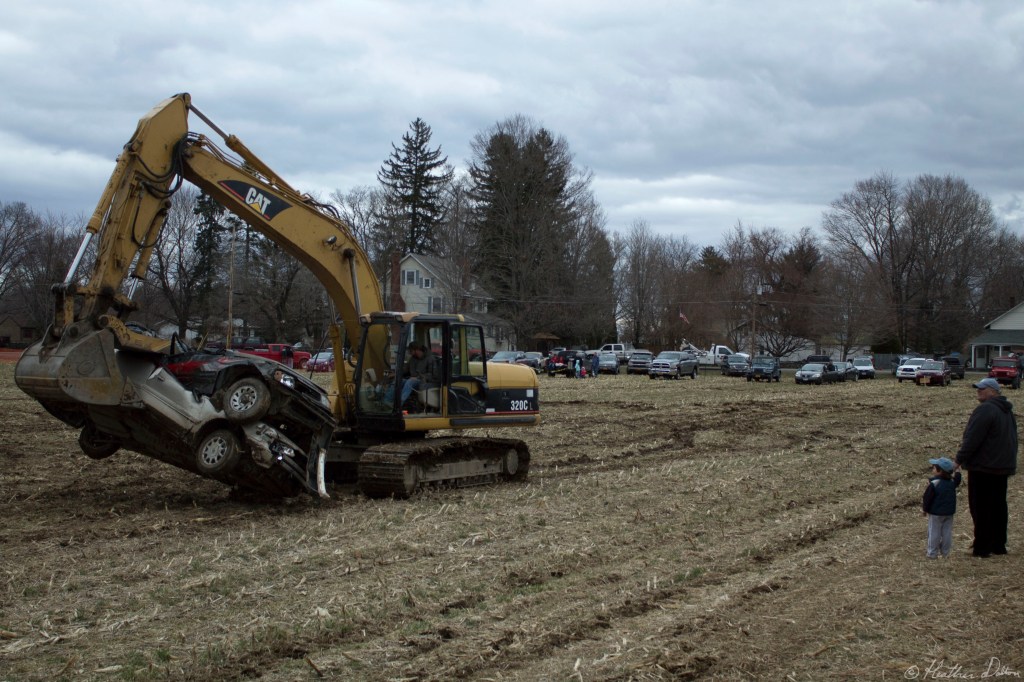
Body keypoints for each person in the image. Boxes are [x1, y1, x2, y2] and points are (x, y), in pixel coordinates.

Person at [954, 377, 1018, 557]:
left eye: (982, 388)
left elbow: (972, 439)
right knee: (998, 506)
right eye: (978, 388)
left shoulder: (985, 410)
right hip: (1002, 467)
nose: (978, 391)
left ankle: (982, 547)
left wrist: (958, 460)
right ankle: (998, 545)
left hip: (984, 467)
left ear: (993, 391)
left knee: (981, 507)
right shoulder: (1006, 410)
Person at [921, 457, 962, 559]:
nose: (932, 469)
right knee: (947, 532)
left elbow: (927, 498)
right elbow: (957, 480)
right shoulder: (952, 482)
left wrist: (925, 509)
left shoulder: (934, 484)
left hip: (935, 513)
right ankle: (945, 552)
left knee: (934, 532)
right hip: (949, 513)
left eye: (934, 468)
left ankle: (932, 553)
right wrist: (958, 471)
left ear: (940, 471)